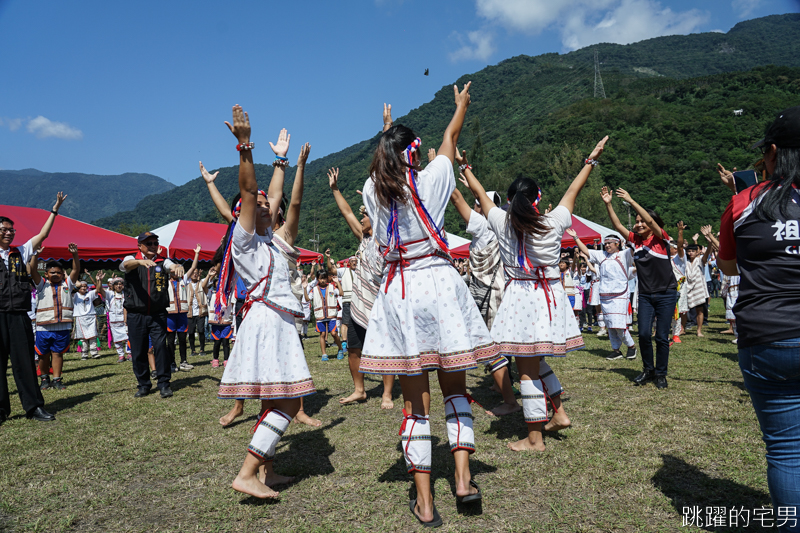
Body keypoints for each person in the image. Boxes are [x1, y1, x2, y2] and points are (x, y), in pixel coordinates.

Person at [359, 86, 499, 527]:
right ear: (414, 154)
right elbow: (449, 141)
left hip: (401, 290)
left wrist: (387, 134)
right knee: (455, 391)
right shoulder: (435, 176)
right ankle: (461, 481)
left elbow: (389, 167)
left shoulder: (371, 190)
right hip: (439, 286)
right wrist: (459, 108)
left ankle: (423, 503)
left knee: (415, 406)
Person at [465, 135, 608, 452]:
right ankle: (558, 413)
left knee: (526, 372)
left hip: (522, 299)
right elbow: (573, 190)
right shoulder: (554, 221)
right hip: (551, 298)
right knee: (536, 364)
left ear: (510, 201)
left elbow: (479, 195)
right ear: (538, 198)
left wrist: (466, 169)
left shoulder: (502, 222)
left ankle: (534, 438)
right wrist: (590, 160)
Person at [217, 105, 314, 499]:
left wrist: (282, 162)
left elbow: (277, 196)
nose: (262, 202)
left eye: (264, 202)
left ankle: (267, 472)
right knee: (289, 404)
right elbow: (248, 191)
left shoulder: (273, 239)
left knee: (274, 399)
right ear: (245, 212)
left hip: (276, 319)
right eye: (254, 203)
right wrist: (245, 146)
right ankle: (246, 471)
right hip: (266, 320)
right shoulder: (244, 241)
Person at [718, 105, 800, 531]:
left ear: (772, 152)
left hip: (767, 337)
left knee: (787, 451)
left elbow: (729, 266)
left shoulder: (743, 202)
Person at [327, 164, 395, 408]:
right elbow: (347, 213)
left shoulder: (383, 240)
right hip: (357, 305)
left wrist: (374, 200)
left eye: (365, 215)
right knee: (354, 348)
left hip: (380, 303)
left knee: (386, 350)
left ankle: (387, 393)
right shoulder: (363, 238)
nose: (361, 218)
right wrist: (335, 190)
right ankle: (360, 390)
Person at [602, 186, 677, 389]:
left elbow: (651, 221)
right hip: (645, 295)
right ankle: (648, 370)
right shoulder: (635, 241)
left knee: (661, 336)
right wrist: (609, 204)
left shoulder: (661, 238)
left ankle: (661, 373)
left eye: (641, 221)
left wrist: (632, 200)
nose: (639, 224)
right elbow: (617, 225)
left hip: (666, 294)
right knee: (643, 334)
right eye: (636, 222)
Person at [0, 192, 65, 423]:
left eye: (11, 230)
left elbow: (43, 234)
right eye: (4, 229)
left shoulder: (21, 252)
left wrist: (54, 209)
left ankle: (34, 407)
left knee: (25, 363)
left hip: (19, 314)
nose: (9, 233)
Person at [120, 232, 185, 399]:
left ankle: (164, 383)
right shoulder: (131, 258)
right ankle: (143, 384)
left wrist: (176, 267)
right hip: (136, 314)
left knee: (160, 346)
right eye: (148, 243)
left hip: (157, 313)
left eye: (155, 243)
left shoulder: (162, 261)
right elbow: (125, 265)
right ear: (139, 245)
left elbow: (170, 266)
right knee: (138, 350)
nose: (152, 246)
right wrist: (140, 262)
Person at [571, 231, 636, 360]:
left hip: (620, 295)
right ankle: (616, 350)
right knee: (610, 325)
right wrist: (576, 238)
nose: (607, 246)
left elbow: (634, 247)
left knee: (618, 324)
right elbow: (587, 251)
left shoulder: (624, 254)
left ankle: (631, 347)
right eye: (605, 244)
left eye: (609, 243)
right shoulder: (602, 255)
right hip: (605, 295)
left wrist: (629, 235)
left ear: (617, 244)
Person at [31, 243, 81, 390]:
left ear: (62, 273)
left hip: (63, 325)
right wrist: (35, 255)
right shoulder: (41, 285)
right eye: (52, 272)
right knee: (43, 354)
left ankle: (57, 379)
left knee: (58, 353)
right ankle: (44, 378)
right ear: (46, 274)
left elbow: (76, 269)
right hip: (44, 326)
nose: (55, 275)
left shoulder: (67, 284)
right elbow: (33, 269)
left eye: (58, 272)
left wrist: (75, 255)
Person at [166, 244, 201, 372]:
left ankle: (183, 361)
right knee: (170, 341)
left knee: (182, 339)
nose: (176, 272)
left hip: (182, 313)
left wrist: (196, 254)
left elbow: (193, 267)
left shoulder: (183, 280)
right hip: (170, 314)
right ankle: (171, 363)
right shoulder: (165, 281)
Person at [305, 269, 343, 361]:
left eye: (324, 278)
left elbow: (341, 293)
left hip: (331, 314)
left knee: (334, 333)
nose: (323, 280)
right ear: (318, 279)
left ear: (327, 278)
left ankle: (340, 348)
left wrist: (338, 283)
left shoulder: (332, 287)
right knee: (322, 334)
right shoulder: (314, 290)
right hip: (320, 315)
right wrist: (304, 288)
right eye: (321, 278)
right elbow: (307, 299)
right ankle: (324, 354)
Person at [203, 265, 232, 368]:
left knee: (226, 342)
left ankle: (226, 360)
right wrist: (209, 275)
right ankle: (215, 359)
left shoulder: (228, 293)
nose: (220, 284)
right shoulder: (211, 293)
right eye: (218, 282)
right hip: (215, 323)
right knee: (217, 342)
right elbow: (204, 286)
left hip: (226, 322)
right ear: (215, 284)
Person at [684, 238, 711, 337]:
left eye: (693, 251)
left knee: (699, 310)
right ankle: (682, 328)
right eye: (689, 251)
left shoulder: (700, 260)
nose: (690, 253)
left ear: (697, 252)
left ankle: (699, 330)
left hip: (698, 288)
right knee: (684, 311)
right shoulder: (685, 262)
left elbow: (707, 254)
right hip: (688, 288)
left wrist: (710, 242)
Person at [97, 276, 128, 362]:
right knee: (117, 339)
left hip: (124, 319)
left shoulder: (126, 294)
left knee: (127, 337)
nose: (119, 286)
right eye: (117, 284)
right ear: (113, 286)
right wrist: (99, 280)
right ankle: (121, 355)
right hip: (114, 320)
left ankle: (129, 353)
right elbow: (99, 290)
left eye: (120, 284)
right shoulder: (110, 294)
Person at [73, 272, 103, 360]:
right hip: (80, 317)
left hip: (91, 316)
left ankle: (94, 353)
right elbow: (69, 289)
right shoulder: (75, 295)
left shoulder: (90, 294)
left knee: (93, 336)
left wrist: (99, 280)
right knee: (83, 338)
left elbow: (98, 289)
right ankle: (84, 354)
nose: (83, 288)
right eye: (81, 287)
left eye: (85, 286)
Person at [186, 268, 208, 359]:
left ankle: (202, 349)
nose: (194, 275)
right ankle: (193, 350)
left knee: (201, 330)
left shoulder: (201, 284)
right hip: (190, 312)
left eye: (196, 273)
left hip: (200, 312)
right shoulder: (187, 285)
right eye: (193, 273)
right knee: (191, 332)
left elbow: (207, 281)